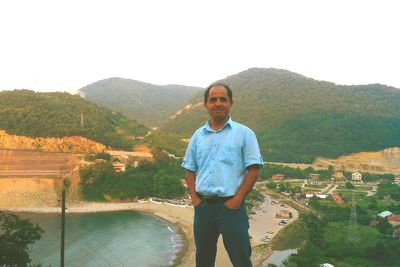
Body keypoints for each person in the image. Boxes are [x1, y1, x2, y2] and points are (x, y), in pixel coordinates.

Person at [182, 83, 263, 267]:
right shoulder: (197, 136)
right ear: (205, 104)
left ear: (231, 103)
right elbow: (188, 168)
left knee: (241, 259)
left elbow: (254, 170)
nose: (218, 103)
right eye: (213, 100)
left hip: (232, 210)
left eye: (222, 99)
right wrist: (195, 198)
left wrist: (237, 200)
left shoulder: (244, 134)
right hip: (203, 209)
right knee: (203, 259)